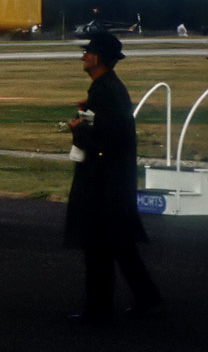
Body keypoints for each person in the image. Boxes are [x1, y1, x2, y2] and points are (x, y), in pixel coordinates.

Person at [64, 31, 162, 324]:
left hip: (103, 182)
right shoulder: (109, 88)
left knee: (98, 246)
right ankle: (145, 296)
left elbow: (106, 137)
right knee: (119, 243)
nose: (83, 56)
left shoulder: (104, 90)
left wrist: (77, 129)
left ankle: (98, 309)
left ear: (96, 58)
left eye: (87, 52)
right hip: (115, 181)